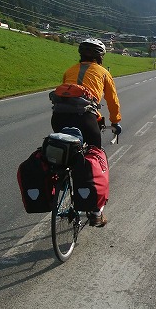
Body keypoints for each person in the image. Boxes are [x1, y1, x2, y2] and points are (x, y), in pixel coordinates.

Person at [50, 38, 122, 226]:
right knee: (95, 158)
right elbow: (112, 101)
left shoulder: (69, 71)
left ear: (81, 54)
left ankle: (61, 180)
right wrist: (115, 122)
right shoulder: (103, 72)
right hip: (86, 119)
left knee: (66, 151)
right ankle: (95, 212)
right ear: (100, 56)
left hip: (58, 118)